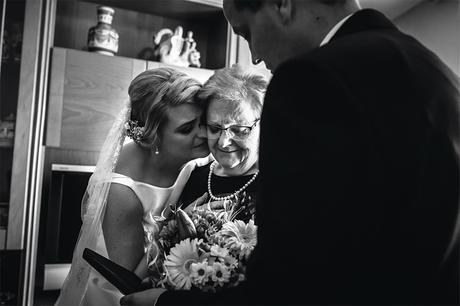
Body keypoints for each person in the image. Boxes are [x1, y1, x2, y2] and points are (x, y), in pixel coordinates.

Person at [121, 0, 460, 305]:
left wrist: (164, 304)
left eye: (246, 31)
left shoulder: (311, 78)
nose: (254, 55)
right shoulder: (435, 71)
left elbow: (288, 287)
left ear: (282, 4)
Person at [55, 67, 211, 306]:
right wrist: (181, 223)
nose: (203, 133)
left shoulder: (199, 158)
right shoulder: (121, 191)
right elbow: (129, 282)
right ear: (153, 137)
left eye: (203, 121)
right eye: (186, 129)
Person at [178, 64, 267, 223]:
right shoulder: (193, 177)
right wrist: (181, 225)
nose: (223, 142)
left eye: (239, 130)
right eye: (214, 128)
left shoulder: (281, 183)